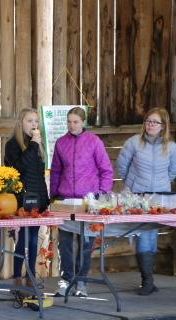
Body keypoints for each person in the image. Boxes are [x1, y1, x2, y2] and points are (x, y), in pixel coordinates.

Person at [50, 107, 114, 297]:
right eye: (69, 121)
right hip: (65, 200)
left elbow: (106, 170)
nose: (72, 125)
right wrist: (53, 195)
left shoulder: (94, 142)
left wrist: (102, 195)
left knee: (86, 243)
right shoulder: (61, 143)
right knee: (65, 243)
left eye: (75, 121)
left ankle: (82, 282)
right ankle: (66, 279)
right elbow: (55, 171)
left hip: (89, 201)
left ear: (83, 122)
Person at [116, 107, 176, 295]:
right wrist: (134, 185)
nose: (151, 125)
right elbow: (122, 166)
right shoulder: (133, 143)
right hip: (138, 196)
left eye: (155, 122)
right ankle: (147, 281)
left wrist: (161, 186)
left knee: (151, 234)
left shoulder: (171, 147)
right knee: (144, 234)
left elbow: (173, 171)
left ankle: (148, 281)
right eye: (148, 121)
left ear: (163, 126)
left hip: (159, 198)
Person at [4, 108, 50, 290]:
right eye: (30, 121)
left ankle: (30, 275)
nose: (34, 125)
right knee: (23, 238)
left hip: (37, 198)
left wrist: (45, 198)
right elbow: (19, 168)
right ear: (21, 123)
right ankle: (16, 277)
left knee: (33, 239)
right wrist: (32, 146)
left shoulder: (37, 145)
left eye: (36, 122)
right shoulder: (12, 144)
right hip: (22, 198)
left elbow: (39, 175)